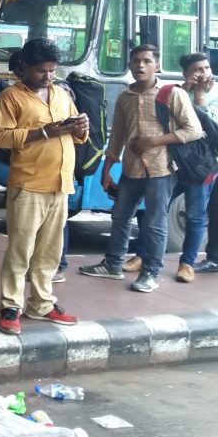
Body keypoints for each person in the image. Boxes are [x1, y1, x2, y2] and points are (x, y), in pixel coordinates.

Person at [79, 44, 202, 293]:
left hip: (162, 169)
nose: (140, 66)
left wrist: (155, 141)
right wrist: (107, 169)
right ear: (130, 65)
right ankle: (113, 264)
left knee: (155, 223)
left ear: (157, 65)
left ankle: (150, 273)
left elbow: (194, 130)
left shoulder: (172, 94)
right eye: (136, 61)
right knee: (120, 217)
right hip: (131, 169)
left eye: (146, 61)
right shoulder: (125, 96)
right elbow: (119, 136)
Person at [0, 39, 88, 334]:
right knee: (21, 250)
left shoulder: (61, 94)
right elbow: (0, 137)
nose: (48, 77)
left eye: (52, 71)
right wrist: (43, 132)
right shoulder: (10, 98)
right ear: (23, 69)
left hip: (60, 182)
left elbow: (76, 136)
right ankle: (10, 305)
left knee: (49, 251)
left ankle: (42, 303)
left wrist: (81, 128)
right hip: (28, 184)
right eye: (41, 71)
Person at [172, 52, 218, 282]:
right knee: (158, 207)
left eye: (207, 68)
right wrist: (184, 90)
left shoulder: (216, 93)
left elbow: (209, 129)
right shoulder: (178, 93)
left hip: (208, 165)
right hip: (178, 163)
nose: (204, 74)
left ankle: (211, 259)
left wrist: (199, 97)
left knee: (209, 213)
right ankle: (144, 255)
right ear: (186, 74)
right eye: (198, 70)